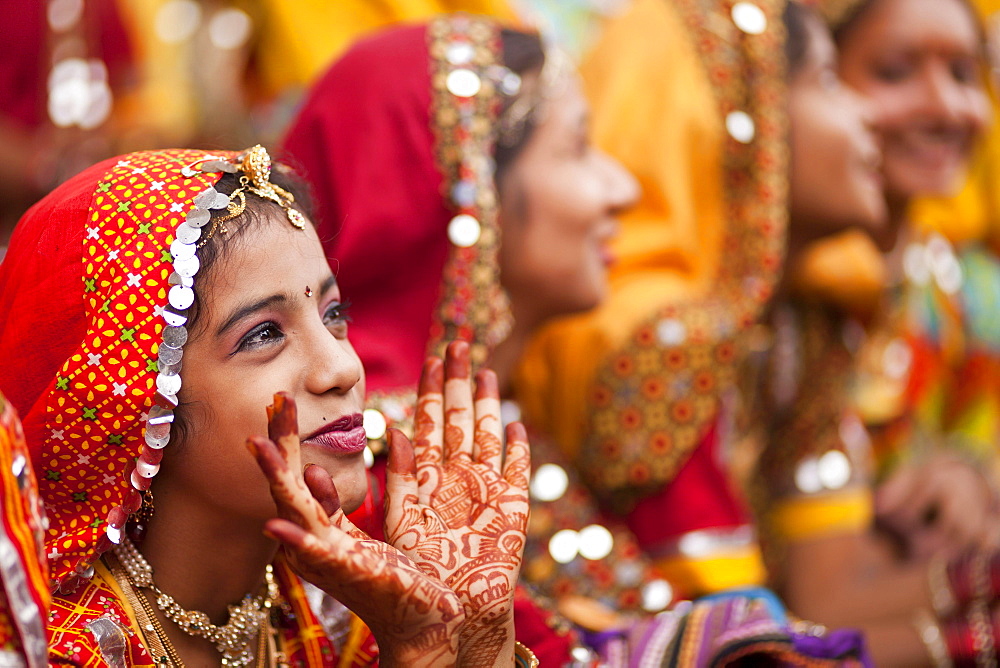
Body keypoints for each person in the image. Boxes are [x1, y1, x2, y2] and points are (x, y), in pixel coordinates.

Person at [282, 11, 870, 666]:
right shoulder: (372, 478)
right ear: (465, 198)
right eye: (576, 149)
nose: (621, 189)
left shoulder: (489, 430)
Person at [0, 145, 533, 666]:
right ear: (140, 404)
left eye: (333, 312)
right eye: (262, 335)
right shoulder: (72, 652)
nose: (342, 368)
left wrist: (483, 634)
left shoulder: (332, 613)